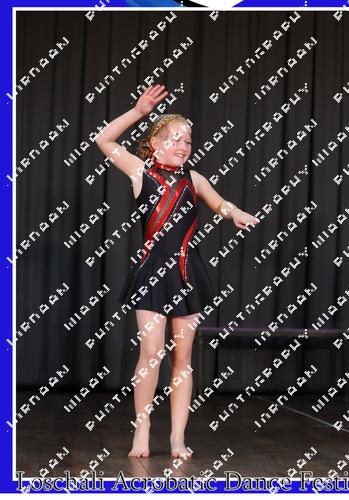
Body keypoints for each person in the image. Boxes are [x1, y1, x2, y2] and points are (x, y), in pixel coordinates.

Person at [94, 84, 259, 458]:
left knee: (182, 358)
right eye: (175, 139)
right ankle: (142, 430)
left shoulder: (194, 179)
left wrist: (234, 213)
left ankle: (177, 438)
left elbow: (220, 203)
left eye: (188, 140)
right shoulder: (141, 172)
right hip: (152, 271)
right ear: (155, 143)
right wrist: (138, 112)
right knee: (151, 352)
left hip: (187, 272)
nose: (184, 146)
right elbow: (104, 140)